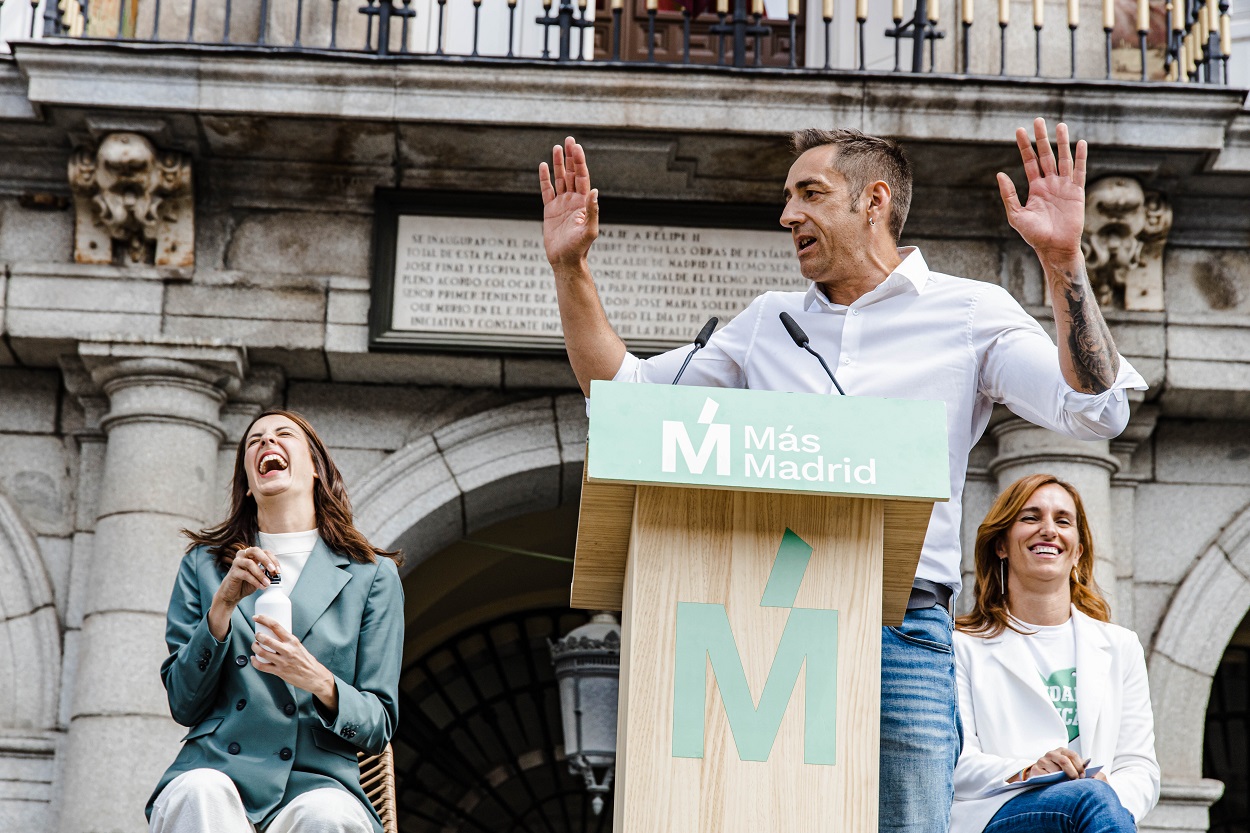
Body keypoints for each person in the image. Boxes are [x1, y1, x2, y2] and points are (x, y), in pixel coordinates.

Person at [537, 120, 1147, 831]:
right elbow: (626, 398)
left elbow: (1096, 409)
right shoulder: (768, 324)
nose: (787, 214)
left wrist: (1064, 263)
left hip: (904, 626)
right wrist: (570, 270)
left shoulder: (970, 312)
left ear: (874, 201)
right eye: (788, 197)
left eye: (809, 193)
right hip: (766, 617)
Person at [145, 410, 405, 833]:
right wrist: (222, 608)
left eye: (284, 435)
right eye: (254, 442)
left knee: (328, 818)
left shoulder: (371, 574)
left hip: (317, 779)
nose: (267, 443)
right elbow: (183, 702)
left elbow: (378, 725)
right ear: (248, 485)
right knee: (198, 793)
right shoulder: (204, 566)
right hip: (217, 768)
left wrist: (316, 679)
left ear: (317, 469)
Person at [951, 473, 1159, 832]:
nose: (1048, 529)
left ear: (1077, 550)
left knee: (1093, 798)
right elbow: (954, 763)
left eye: (1063, 521)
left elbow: (1140, 767)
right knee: (1089, 798)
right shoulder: (961, 645)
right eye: (1031, 517)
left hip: (1093, 811)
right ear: (1001, 544)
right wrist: (1029, 771)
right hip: (997, 813)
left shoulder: (1121, 647)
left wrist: (1108, 794)